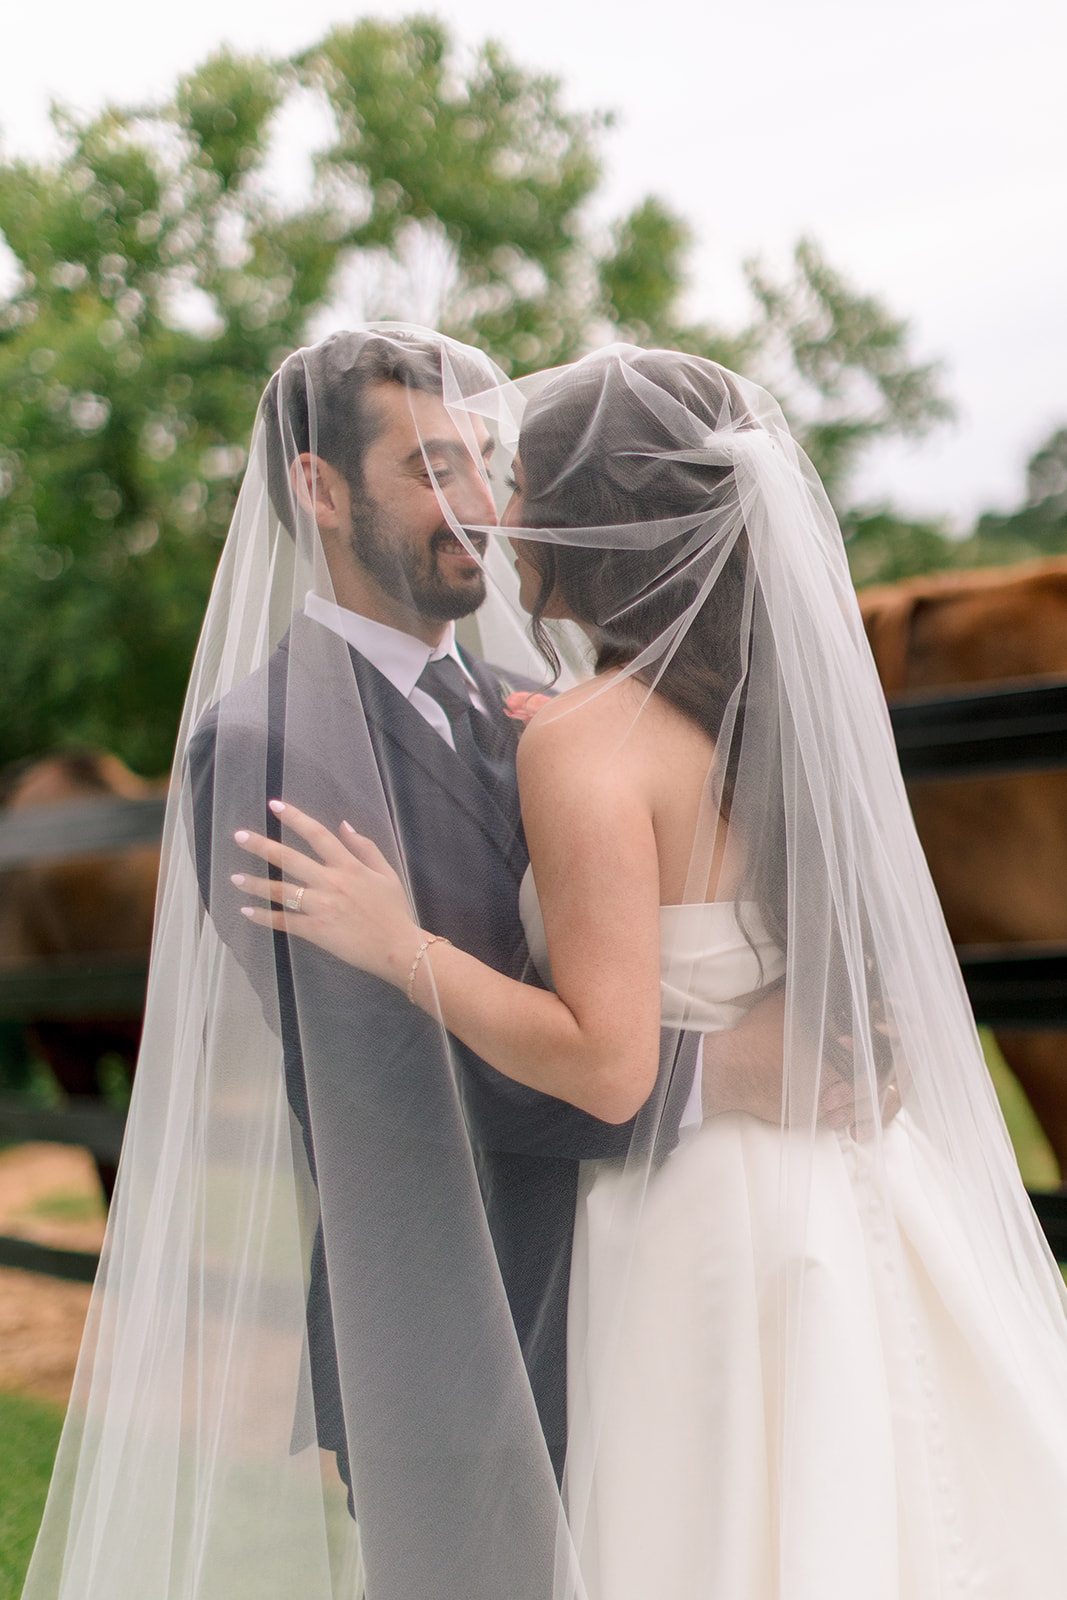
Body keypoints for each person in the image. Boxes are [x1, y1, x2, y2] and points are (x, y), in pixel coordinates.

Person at [232, 345, 1067, 1598]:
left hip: (698, 1229)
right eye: (450, 468)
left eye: (512, 478)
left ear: (593, 521)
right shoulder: (760, 706)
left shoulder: (575, 736)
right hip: (846, 1197)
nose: (494, 510)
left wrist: (401, 941)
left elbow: (605, 1059)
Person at [21, 327, 791, 1600]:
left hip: (632, 1282)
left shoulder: (530, 705)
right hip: (448, 1335)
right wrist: (710, 1081)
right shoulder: (271, 746)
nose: (479, 508)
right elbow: (386, 1070)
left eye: (481, 464)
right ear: (320, 490)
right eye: (431, 469)